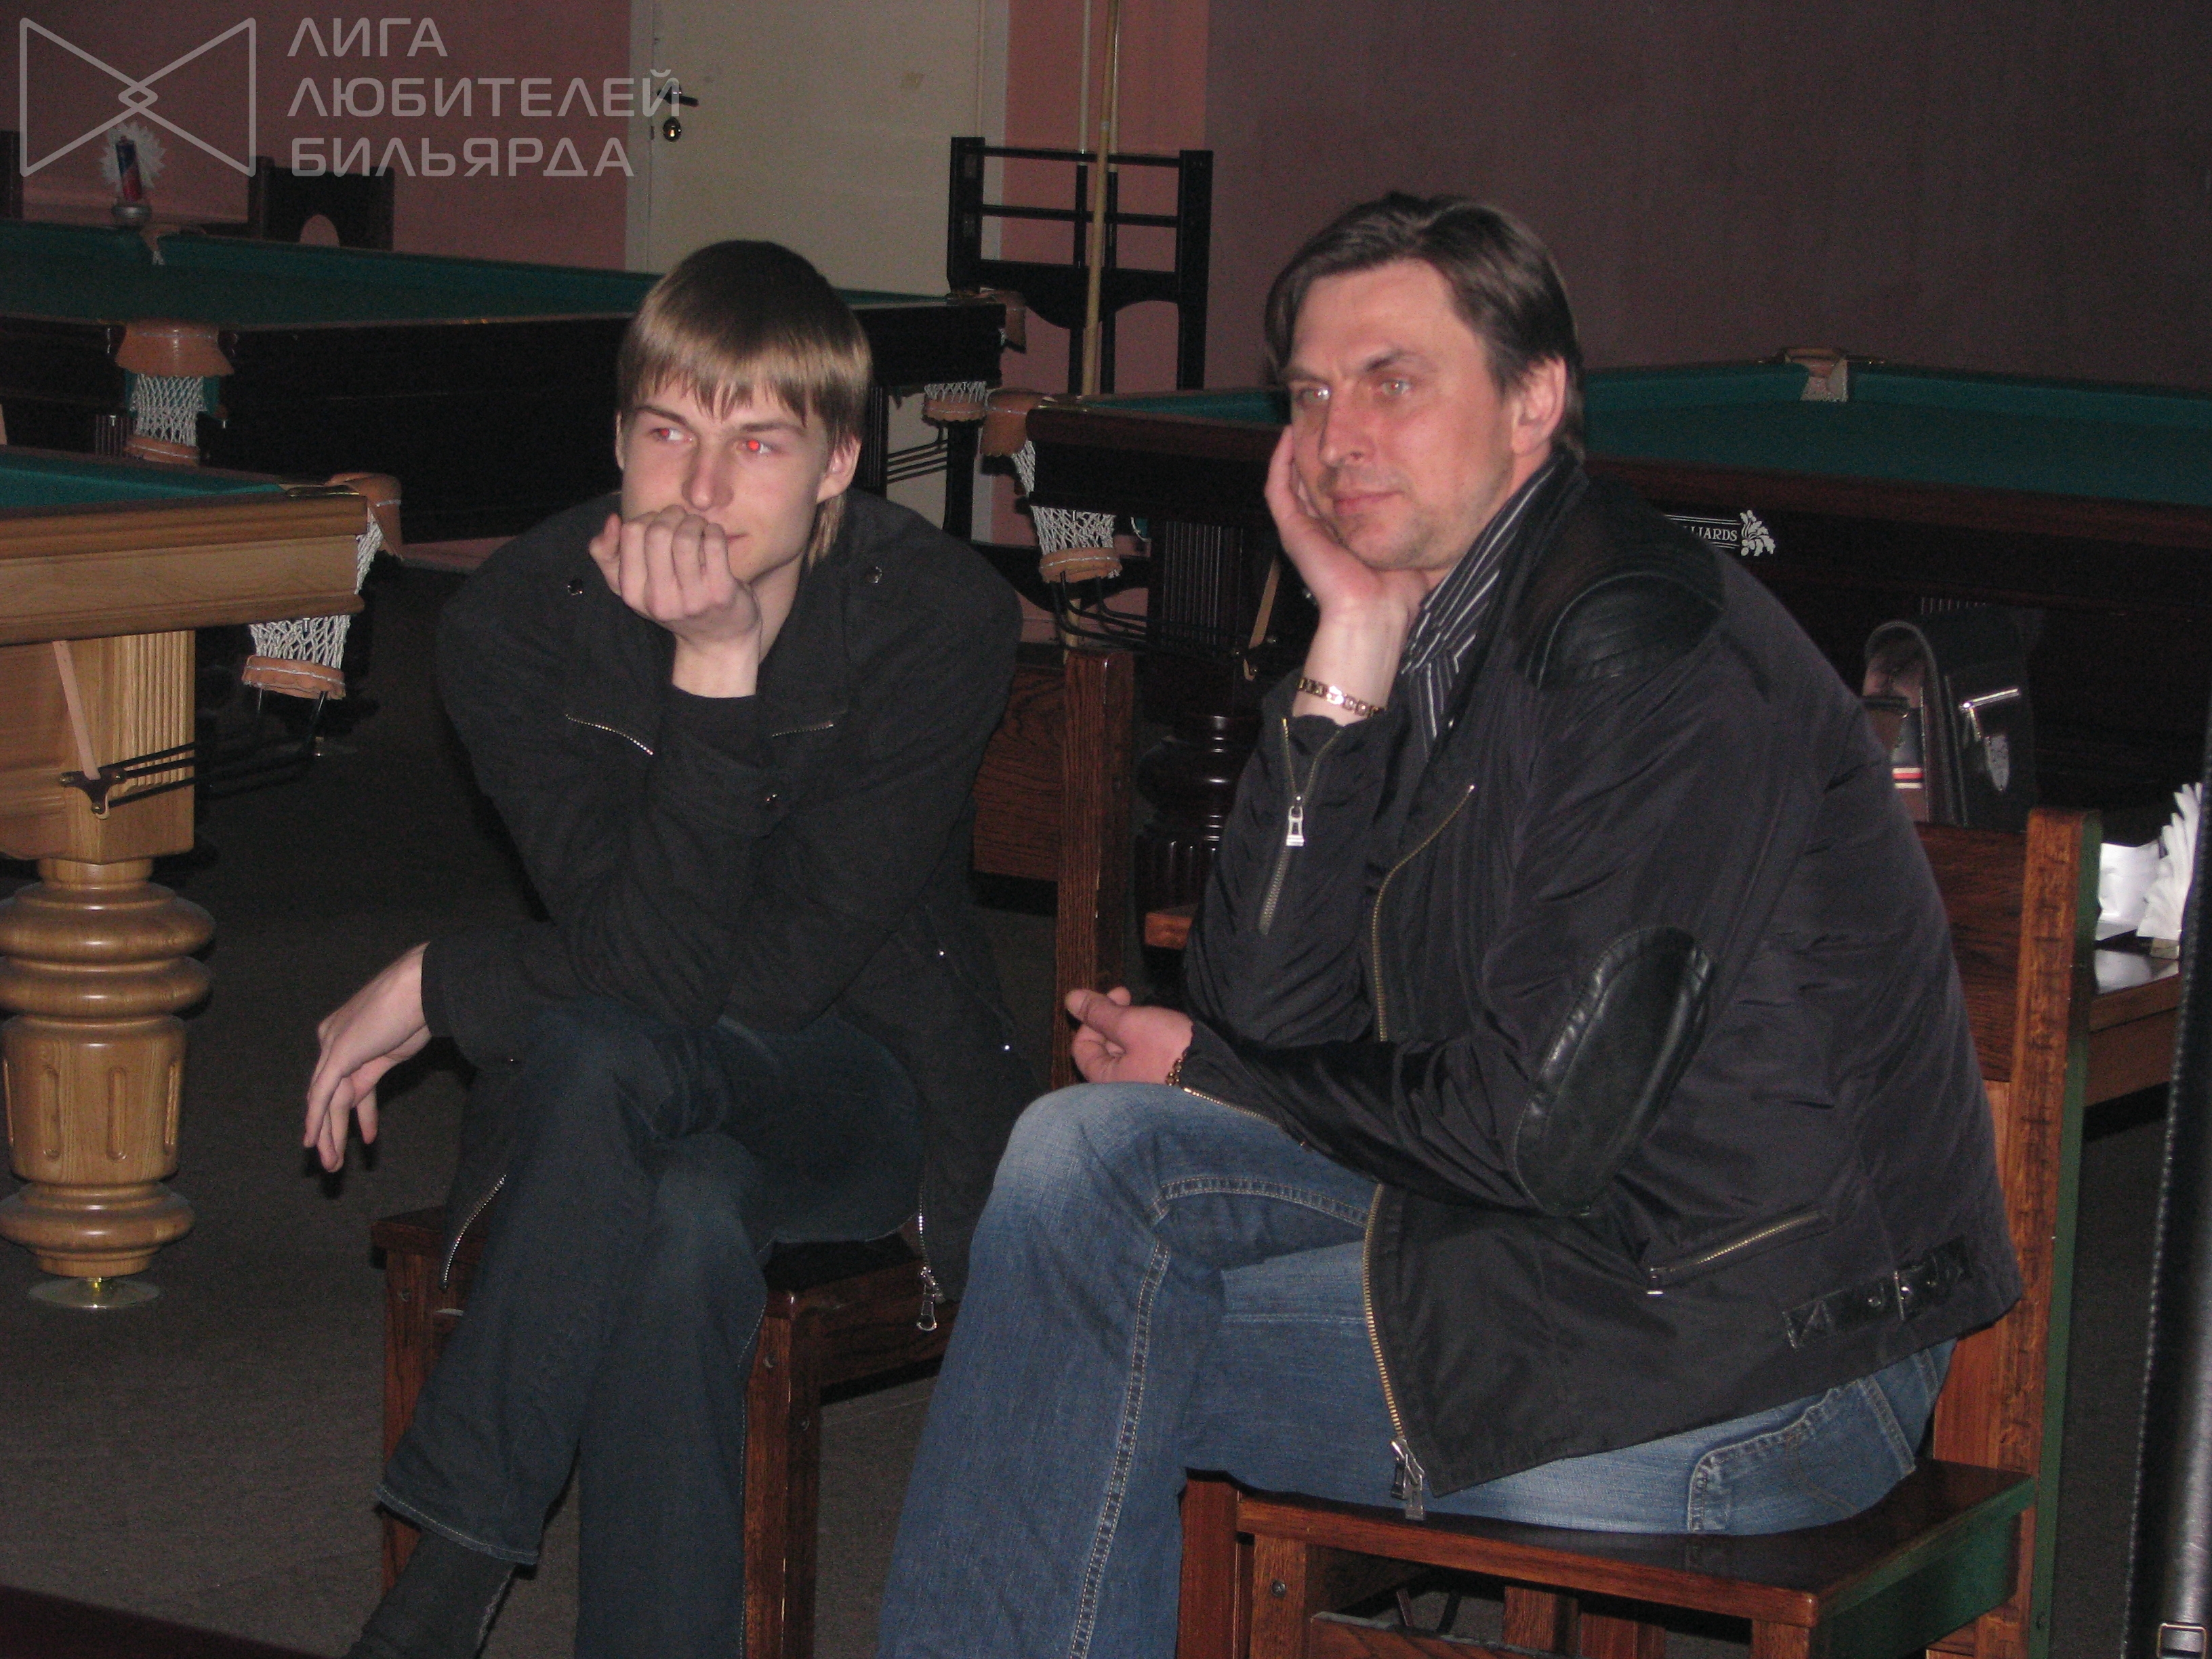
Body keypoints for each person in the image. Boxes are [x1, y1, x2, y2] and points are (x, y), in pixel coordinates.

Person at [874, 194, 2021, 1658]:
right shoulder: (1444, 617)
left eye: (1393, 382)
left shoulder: (1638, 648)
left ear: (1534, 401)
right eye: (1309, 394)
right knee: (1081, 1160)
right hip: (1551, 1245)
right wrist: (1345, 644)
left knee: (1076, 1343)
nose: (1337, 436)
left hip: (1758, 1357)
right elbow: (1265, 1007)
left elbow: (1536, 1128)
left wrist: (1212, 1073)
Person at [304, 240, 1029, 1659]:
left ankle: (447, 1580)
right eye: (666, 434)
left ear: (839, 463)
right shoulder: (518, 623)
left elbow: (777, 980)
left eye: (757, 443)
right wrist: (713, 667)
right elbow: (655, 969)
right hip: (629, 1096)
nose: (700, 489)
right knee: (682, 1213)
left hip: (863, 1085)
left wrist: (453, 980)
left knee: (600, 1046)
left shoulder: (935, 616)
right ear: (618, 443)